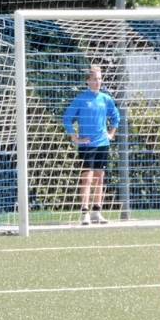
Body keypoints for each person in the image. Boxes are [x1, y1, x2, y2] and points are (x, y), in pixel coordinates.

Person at [63, 65, 121, 224]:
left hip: (102, 144)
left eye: (100, 78)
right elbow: (67, 118)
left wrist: (111, 133)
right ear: (88, 81)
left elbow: (116, 116)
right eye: (95, 79)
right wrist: (75, 138)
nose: (98, 82)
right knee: (87, 178)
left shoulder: (105, 98)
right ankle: (85, 213)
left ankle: (97, 212)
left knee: (100, 178)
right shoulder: (81, 99)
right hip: (87, 145)